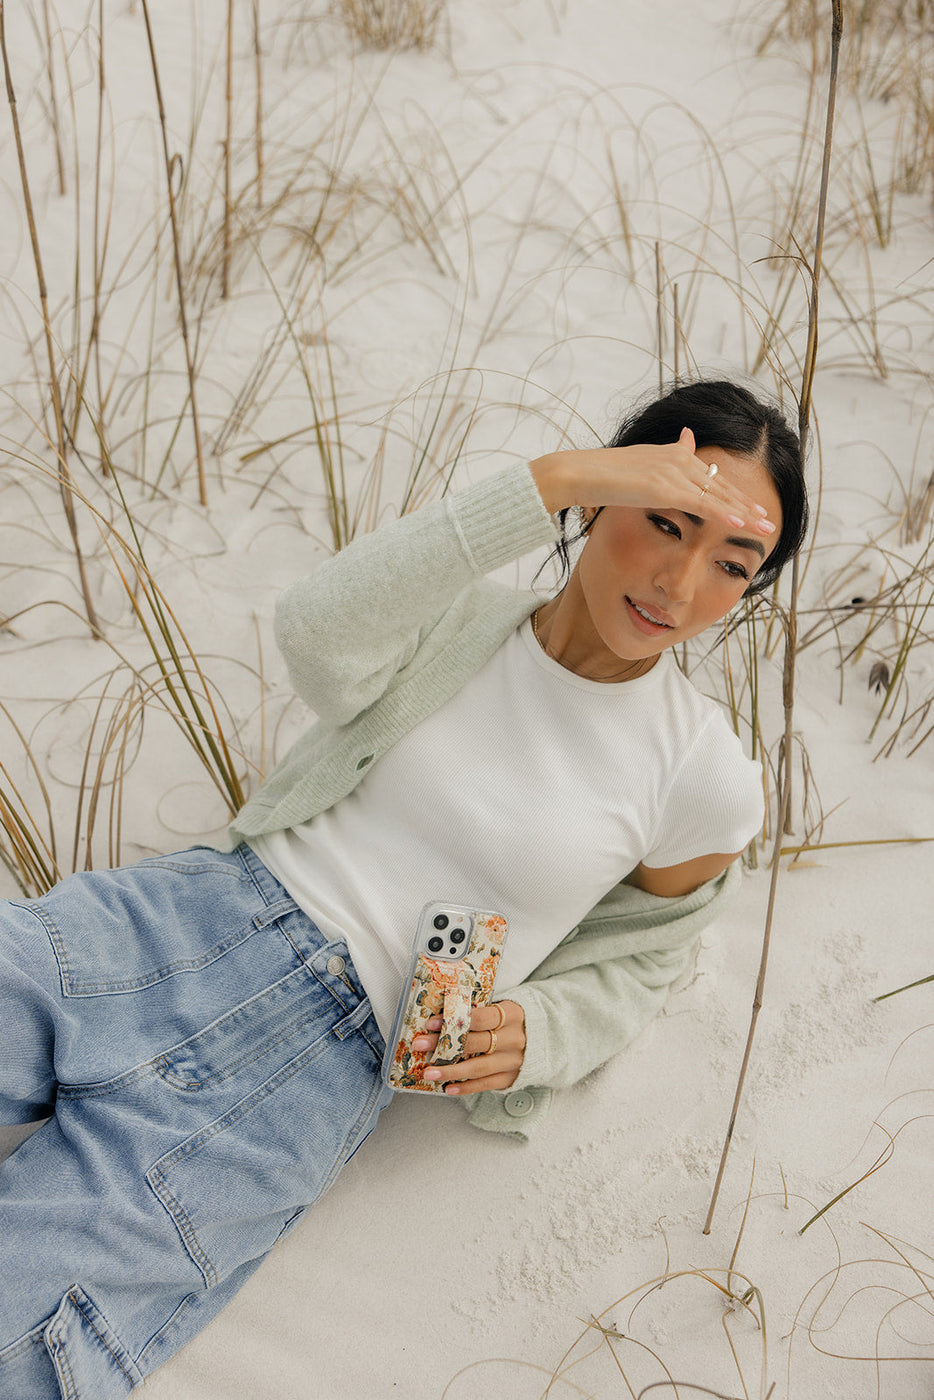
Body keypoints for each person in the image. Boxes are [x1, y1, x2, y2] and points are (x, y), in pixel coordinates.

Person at [0, 378, 807, 1398]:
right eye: (664, 521)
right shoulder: (459, 615)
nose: (681, 583)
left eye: (731, 562)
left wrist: (544, 1025)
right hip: (179, 921)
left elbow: (646, 951)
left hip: (308, 1070)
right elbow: (317, 632)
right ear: (604, 497)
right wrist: (554, 479)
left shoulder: (703, 775)